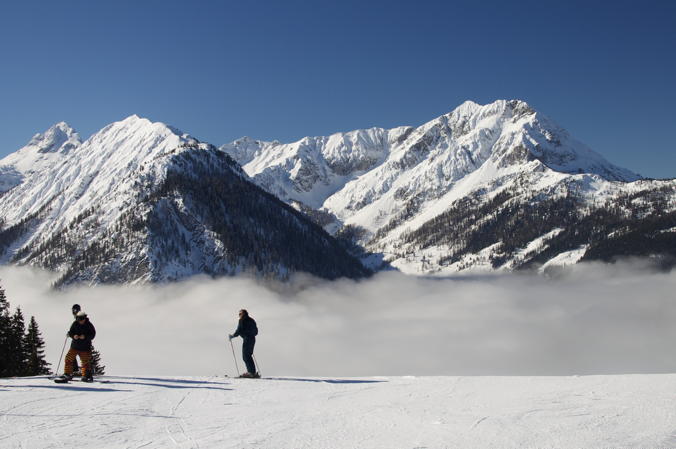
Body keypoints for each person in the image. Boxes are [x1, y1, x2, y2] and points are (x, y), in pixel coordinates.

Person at [62, 311, 96, 382]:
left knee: (85, 362)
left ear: (84, 318)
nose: (80, 321)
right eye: (79, 319)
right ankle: (67, 374)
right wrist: (74, 336)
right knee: (68, 359)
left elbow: (93, 334)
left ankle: (85, 375)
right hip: (75, 346)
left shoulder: (89, 325)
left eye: (82, 319)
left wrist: (85, 337)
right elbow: (71, 332)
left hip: (85, 347)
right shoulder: (75, 324)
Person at [229, 309, 259, 378]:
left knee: (246, 356)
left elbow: (239, 330)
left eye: (240, 314)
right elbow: (256, 331)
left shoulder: (242, 320)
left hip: (247, 339)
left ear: (242, 314)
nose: (239, 316)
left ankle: (251, 372)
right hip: (252, 339)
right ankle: (252, 372)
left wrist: (232, 336)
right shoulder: (252, 320)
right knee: (248, 355)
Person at [70, 304, 81, 375]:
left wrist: (73, 334)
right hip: (77, 339)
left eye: (75, 310)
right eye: (73, 310)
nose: (74, 311)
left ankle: (75, 370)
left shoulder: (79, 318)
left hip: (78, 340)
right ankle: (76, 369)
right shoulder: (77, 318)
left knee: (72, 354)